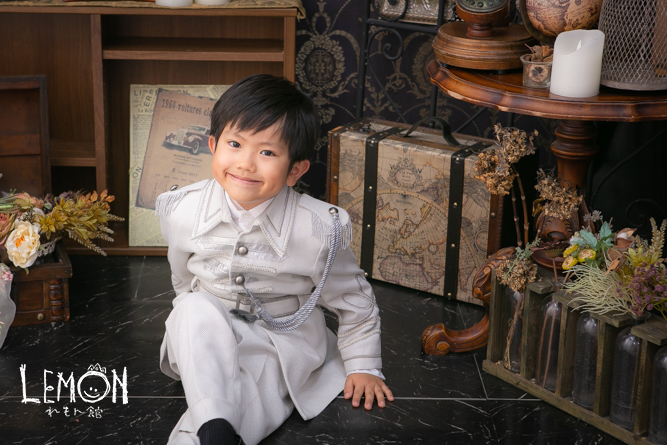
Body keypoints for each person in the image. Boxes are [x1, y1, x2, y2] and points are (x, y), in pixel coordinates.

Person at [156, 74, 393, 445]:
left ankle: (213, 431)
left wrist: (363, 365)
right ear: (213, 145)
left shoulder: (316, 229)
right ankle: (214, 414)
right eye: (235, 144)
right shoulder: (182, 209)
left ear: (295, 169)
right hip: (203, 335)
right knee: (193, 307)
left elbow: (354, 300)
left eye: (267, 152)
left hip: (280, 341)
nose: (246, 164)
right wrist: (192, 328)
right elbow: (182, 277)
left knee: (248, 398)